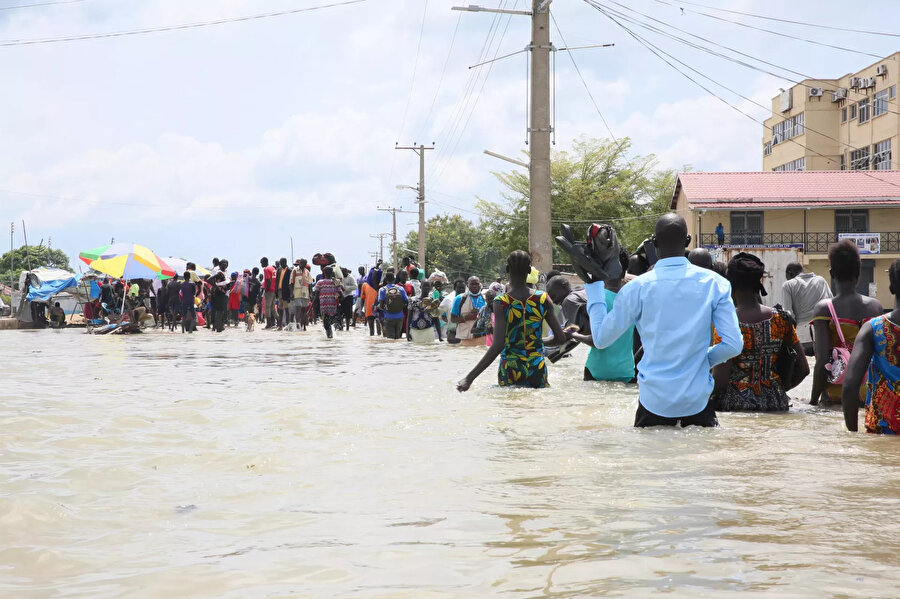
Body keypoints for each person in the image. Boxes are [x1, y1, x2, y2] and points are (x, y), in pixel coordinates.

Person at [578, 214, 743, 427]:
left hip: (653, 402)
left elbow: (601, 339)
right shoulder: (716, 284)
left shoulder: (636, 288)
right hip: (698, 400)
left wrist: (593, 286)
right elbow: (733, 344)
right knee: (702, 458)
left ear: (654, 243)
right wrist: (700, 360)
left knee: (651, 458)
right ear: (687, 242)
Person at [712, 253, 808, 412]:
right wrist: (777, 390)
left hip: (736, 406)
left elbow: (720, 381)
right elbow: (804, 369)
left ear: (730, 285)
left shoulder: (727, 323)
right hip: (777, 403)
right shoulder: (782, 319)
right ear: (759, 283)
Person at [457, 251, 567, 391]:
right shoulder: (543, 298)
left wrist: (469, 378)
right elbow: (560, 338)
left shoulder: (501, 302)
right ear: (529, 270)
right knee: (537, 408)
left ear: (507, 269)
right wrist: (537, 341)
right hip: (536, 367)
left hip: (510, 369)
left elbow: (498, 345)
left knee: (510, 409)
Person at [810, 240, 884, 406]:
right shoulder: (875, 307)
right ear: (859, 274)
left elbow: (822, 362)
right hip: (868, 394)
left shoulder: (823, 308)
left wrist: (813, 402)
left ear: (831, 272)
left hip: (835, 394)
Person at [548, 263, 636, 383]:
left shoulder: (591, 300)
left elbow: (597, 340)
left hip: (597, 370)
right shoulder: (632, 301)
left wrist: (572, 334)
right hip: (626, 370)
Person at [841, 259, 900, 433]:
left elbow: (850, 387)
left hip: (882, 433)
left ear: (891, 288)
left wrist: (852, 434)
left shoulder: (873, 328)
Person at [782, 262, 833, 356]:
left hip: (802, 334)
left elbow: (789, 314)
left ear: (790, 273)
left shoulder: (788, 285)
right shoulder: (821, 280)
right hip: (823, 330)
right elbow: (831, 303)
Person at [450, 276, 486, 346]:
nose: (475, 286)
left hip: (482, 337)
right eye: (472, 284)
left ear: (480, 285)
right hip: (466, 338)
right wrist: (466, 318)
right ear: (467, 285)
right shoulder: (460, 298)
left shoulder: (485, 299)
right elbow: (453, 319)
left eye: (477, 284)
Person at [378, 271, 409, 339]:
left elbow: (381, 306)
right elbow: (407, 301)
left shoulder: (382, 290)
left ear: (386, 279)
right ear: (394, 279)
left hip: (388, 317)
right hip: (400, 317)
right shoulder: (400, 289)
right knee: (397, 338)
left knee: (390, 340)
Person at [313, 266, 341, 338]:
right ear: (332, 273)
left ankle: (329, 338)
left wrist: (312, 309)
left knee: (326, 324)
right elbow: (341, 295)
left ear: (324, 273)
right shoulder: (336, 282)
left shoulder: (319, 282)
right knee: (330, 324)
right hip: (333, 307)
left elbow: (316, 297)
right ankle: (330, 338)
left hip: (324, 306)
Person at [290, 259, 312, 331]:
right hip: (297, 293)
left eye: (305, 264)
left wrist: (311, 293)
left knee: (304, 310)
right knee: (298, 309)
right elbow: (291, 283)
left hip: (305, 293)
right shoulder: (295, 270)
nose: (303, 265)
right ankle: (298, 326)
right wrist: (291, 293)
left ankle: (303, 326)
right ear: (300, 263)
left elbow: (310, 283)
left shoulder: (307, 272)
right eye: (302, 263)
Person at [261, 257, 276, 329]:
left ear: (264, 262)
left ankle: (268, 324)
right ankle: (277, 322)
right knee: (273, 308)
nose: (261, 264)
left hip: (269, 291)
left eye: (261, 262)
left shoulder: (266, 269)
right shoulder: (273, 268)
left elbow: (269, 280)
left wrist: (266, 290)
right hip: (274, 290)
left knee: (267, 307)